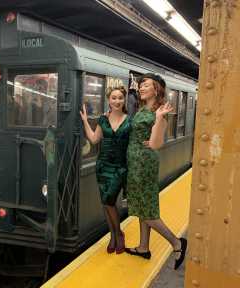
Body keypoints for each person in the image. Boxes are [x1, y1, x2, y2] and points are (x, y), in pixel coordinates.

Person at [124, 73, 187, 270]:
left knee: (148, 211)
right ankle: (143, 247)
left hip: (144, 164)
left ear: (156, 89)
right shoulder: (144, 108)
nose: (141, 88)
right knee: (144, 206)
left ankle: (177, 243)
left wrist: (159, 120)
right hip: (136, 162)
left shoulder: (159, 110)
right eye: (141, 85)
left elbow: (156, 144)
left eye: (146, 85)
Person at [80, 86, 130, 254]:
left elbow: (134, 143)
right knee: (106, 204)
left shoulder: (130, 120)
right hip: (102, 167)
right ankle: (113, 236)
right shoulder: (102, 119)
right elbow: (94, 140)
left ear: (124, 100)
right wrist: (86, 121)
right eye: (114, 98)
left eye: (120, 98)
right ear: (109, 100)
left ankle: (119, 234)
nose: (117, 101)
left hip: (120, 168)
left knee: (109, 201)